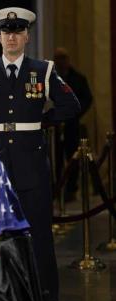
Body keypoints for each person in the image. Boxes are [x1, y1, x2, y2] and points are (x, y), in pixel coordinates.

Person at [0, 7, 80, 301]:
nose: (11, 37)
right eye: (6, 32)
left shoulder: (43, 69)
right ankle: (1, 295)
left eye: (17, 32)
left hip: (32, 164)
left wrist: (44, 122)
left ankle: (45, 295)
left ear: (26, 36)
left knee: (38, 231)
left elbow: (71, 104)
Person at [54, 47, 93, 201]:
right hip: (54, 125)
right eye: (57, 58)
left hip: (72, 125)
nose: (60, 61)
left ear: (68, 59)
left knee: (73, 157)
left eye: (63, 57)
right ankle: (56, 188)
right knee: (56, 158)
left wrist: (76, 112)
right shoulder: (50, 76)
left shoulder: (78, 78)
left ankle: (71, 189)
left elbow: (87, 98)